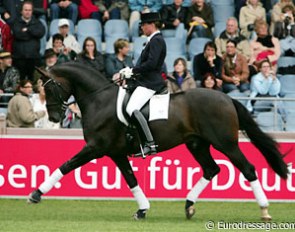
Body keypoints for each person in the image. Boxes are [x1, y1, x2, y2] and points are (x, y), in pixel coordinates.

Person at [119, 12, 166, 157]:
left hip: (150, 82)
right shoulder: (152, 40)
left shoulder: (156, 40)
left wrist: (132, 70)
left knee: (131, 107)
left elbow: (151, 64)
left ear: (151, 25)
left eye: (143, 25)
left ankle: (150, 143)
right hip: (144, 80)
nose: (142, 28)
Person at [11, 1, 45, 82]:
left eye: (29, 10)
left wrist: (27, 30)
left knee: (34, 82)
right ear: (21, 11)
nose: (27, 12)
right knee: (19, 83)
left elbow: (40, 33)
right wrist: (32, 34)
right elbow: (18, 34)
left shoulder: (37, 22)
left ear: (32, 11)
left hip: (33, 58)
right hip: (19, 59)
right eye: (25, 10)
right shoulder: (15, 22)